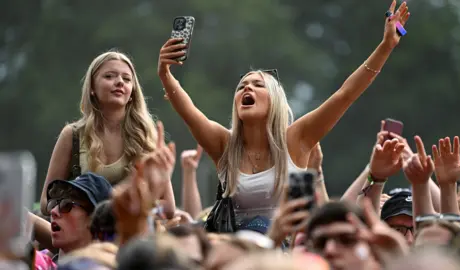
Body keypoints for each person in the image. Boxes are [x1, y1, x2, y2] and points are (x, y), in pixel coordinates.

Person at [158, 0, 410, 228]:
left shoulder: (296, 139)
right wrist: (165, 74)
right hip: (235, 252)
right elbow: (189, 111)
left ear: (276, 102)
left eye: (258, 85)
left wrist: (386, 46)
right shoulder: (224, 145)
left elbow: (345, 95)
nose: (247, 87)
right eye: (242, 86)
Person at [40, 51, 172, 216]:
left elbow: (169, 207)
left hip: (131, 232)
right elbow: (45, 203)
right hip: (83, 234)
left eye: (126, 79)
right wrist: (78, 204)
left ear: (132, 92)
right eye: (109, 76)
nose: (119, 82)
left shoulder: (146, 136)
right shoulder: (72, 135)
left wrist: (135, 207)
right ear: (92, 88)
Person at [46, 172, 112, 262]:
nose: (53, 211)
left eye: (66, 205)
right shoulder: (38, 264)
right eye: (53, 204)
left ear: (94, 219)